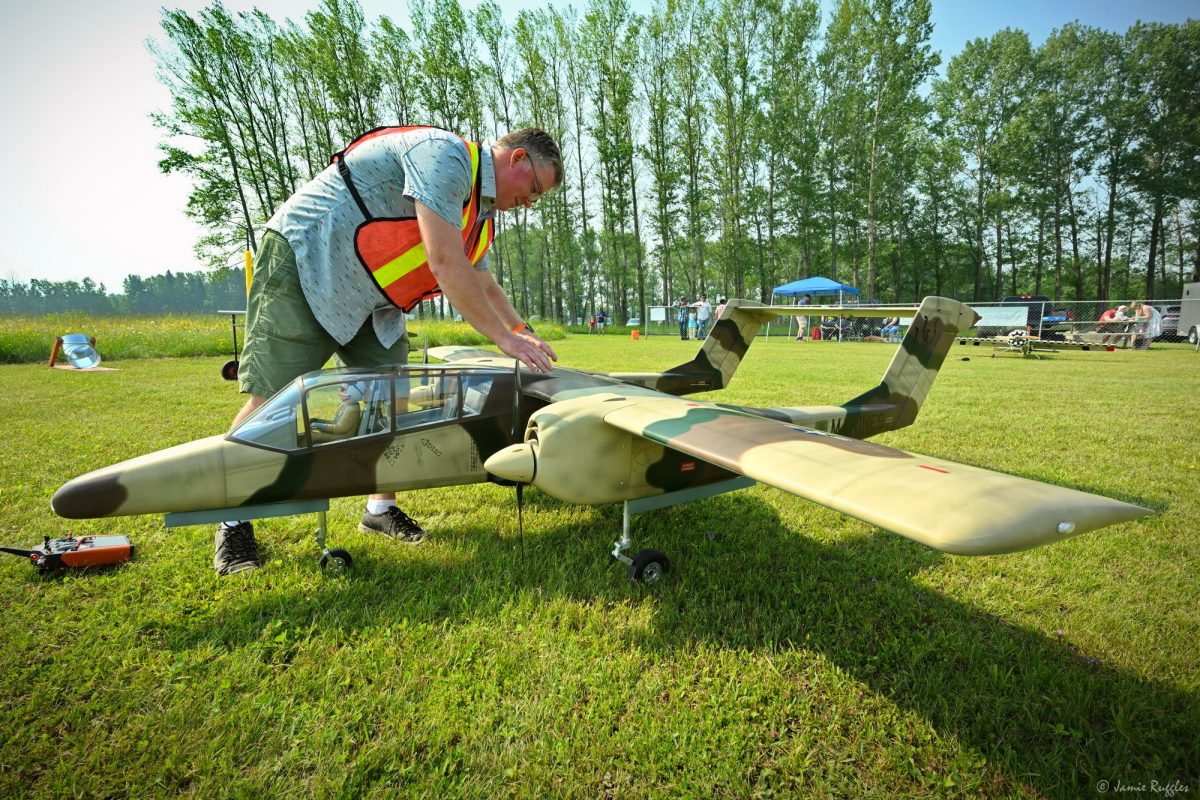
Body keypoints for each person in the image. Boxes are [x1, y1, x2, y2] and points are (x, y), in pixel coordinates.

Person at [214, 125, 563, 576]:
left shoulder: (480, 215)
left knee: (390, 399)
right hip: (309, 262)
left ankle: (380, 510)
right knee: (273, 402)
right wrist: (503, 339)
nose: (529, 202)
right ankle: (232, 520)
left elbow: (482, 280)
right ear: (517, 159)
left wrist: (519, 329)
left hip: (372, 300)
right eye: (534, 189)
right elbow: (445, 262)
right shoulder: (446, 157)